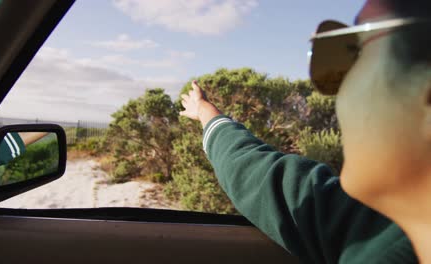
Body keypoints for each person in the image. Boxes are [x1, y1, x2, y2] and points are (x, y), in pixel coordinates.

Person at [180, 0, 431, 263]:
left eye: (355, 51)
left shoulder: (374, 236)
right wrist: (206, 113)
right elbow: (267, 181)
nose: (335, 88)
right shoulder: (380, 229)